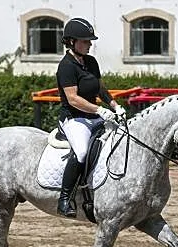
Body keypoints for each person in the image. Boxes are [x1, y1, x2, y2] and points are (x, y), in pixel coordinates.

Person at [56, 17, 126, 218]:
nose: (89, 44)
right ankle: (65, 199)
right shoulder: (66, 66)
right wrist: (99, 111)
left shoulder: (91, 62)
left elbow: (99, 88)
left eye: (89, 41)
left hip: (94, 116)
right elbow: (73, 99)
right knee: (81, 152)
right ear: (71, 42)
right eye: (85, 41)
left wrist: (114, 106)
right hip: (74, 119)